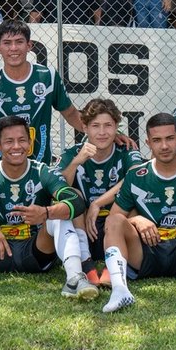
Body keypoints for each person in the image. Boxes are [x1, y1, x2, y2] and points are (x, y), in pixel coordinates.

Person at [0, 114, 89, 303]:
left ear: (29, 144)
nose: (16, 147)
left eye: (22, 140)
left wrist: (46, 213)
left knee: (59, 216)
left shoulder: (42, 171)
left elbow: (76, 201)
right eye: (9, 141)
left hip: (37, 252)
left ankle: (75, 278)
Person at [99, 112, 176, 314]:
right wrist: (137, 219)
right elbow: (114, 218)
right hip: (148, 248)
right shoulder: (136, 175)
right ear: (148, 142)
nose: (164, 146)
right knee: (113, 221)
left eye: (169, 138)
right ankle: (120, 291)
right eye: (157, 140)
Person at [0, 19, 82, 172]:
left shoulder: (48, 77)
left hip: (38, 166)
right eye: (7, 43)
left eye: (19, 42)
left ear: (29, 46)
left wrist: (102, 132)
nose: (13, 48)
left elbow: (72, 114)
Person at [59, 98, 143, 284]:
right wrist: (75, 163)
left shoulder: (127, 150)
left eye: (108, 125)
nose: (103, 132)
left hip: (117, 223)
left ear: (116, 127)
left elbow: (135, 178)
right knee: (72, 197)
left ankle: (111, 266)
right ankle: (86, 262)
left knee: (132, 201)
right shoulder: (73, 153)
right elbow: (57, 188)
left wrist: (99, 202)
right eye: (96, 126)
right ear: (85, 127)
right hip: (85, 225)